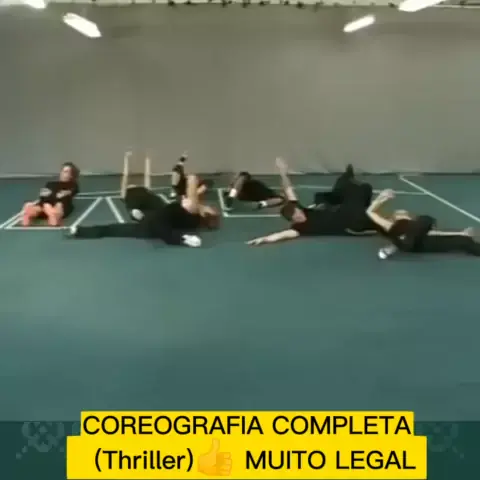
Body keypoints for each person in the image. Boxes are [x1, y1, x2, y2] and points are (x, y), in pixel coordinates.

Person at [66, 154, 219, 247]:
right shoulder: (193, 212)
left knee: (151, 225)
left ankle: (180, 239)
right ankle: (79, 231)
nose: (209, 206)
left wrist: (192, 180)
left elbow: (192, 182)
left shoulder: (195, 214)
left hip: (160, 220)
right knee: (114, 229)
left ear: (206, 215)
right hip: (154, 221)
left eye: (210, 209)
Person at [247, 158, 378, 246]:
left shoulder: (301, 209)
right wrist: (264, 239)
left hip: (345, 210)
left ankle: (347, 177)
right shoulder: (300, 229)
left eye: (299, 212)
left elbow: (288, 189)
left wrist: (283, 173)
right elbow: (281, 235)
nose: (301, 215)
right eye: (298, 217)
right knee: (363, 190)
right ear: (293, 221)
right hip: (351, 224)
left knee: (356, 187)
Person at [365, 189, 480, 259]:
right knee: (425, 220)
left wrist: (461, 233)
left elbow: (435, 233)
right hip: (408, 241)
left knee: (463, 241)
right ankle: (397, 245)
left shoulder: (416, 224)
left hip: (421, 244)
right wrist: (382, 198)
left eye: (405, 212)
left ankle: (395, 246)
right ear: (394, 217)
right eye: (399, 212)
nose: (403, 212)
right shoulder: (390, 224)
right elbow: (369, 212)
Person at [22, 162, 80, 226]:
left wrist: (59, 194)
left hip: (60, 207)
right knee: (32, 206)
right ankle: (45, 213)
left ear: (71, 175)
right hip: (45, 206)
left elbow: (72, 191)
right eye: (62, 171)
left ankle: (52, 215)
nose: (62, 173)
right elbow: (43, 196)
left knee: (58, 205)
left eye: (66, 172)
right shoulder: (50, 184)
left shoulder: (72, 185)